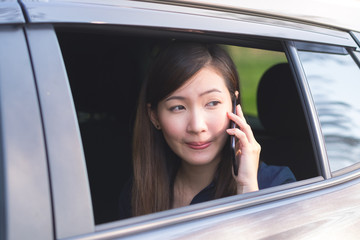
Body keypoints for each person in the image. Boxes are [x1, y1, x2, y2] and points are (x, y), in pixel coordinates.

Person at [119, 42, 295, 219]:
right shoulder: (138, 192)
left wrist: (247, 189)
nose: (197, 126)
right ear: (154, 116)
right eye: (178, 107)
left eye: (212, 103)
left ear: (235, 105)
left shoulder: (276, 185)